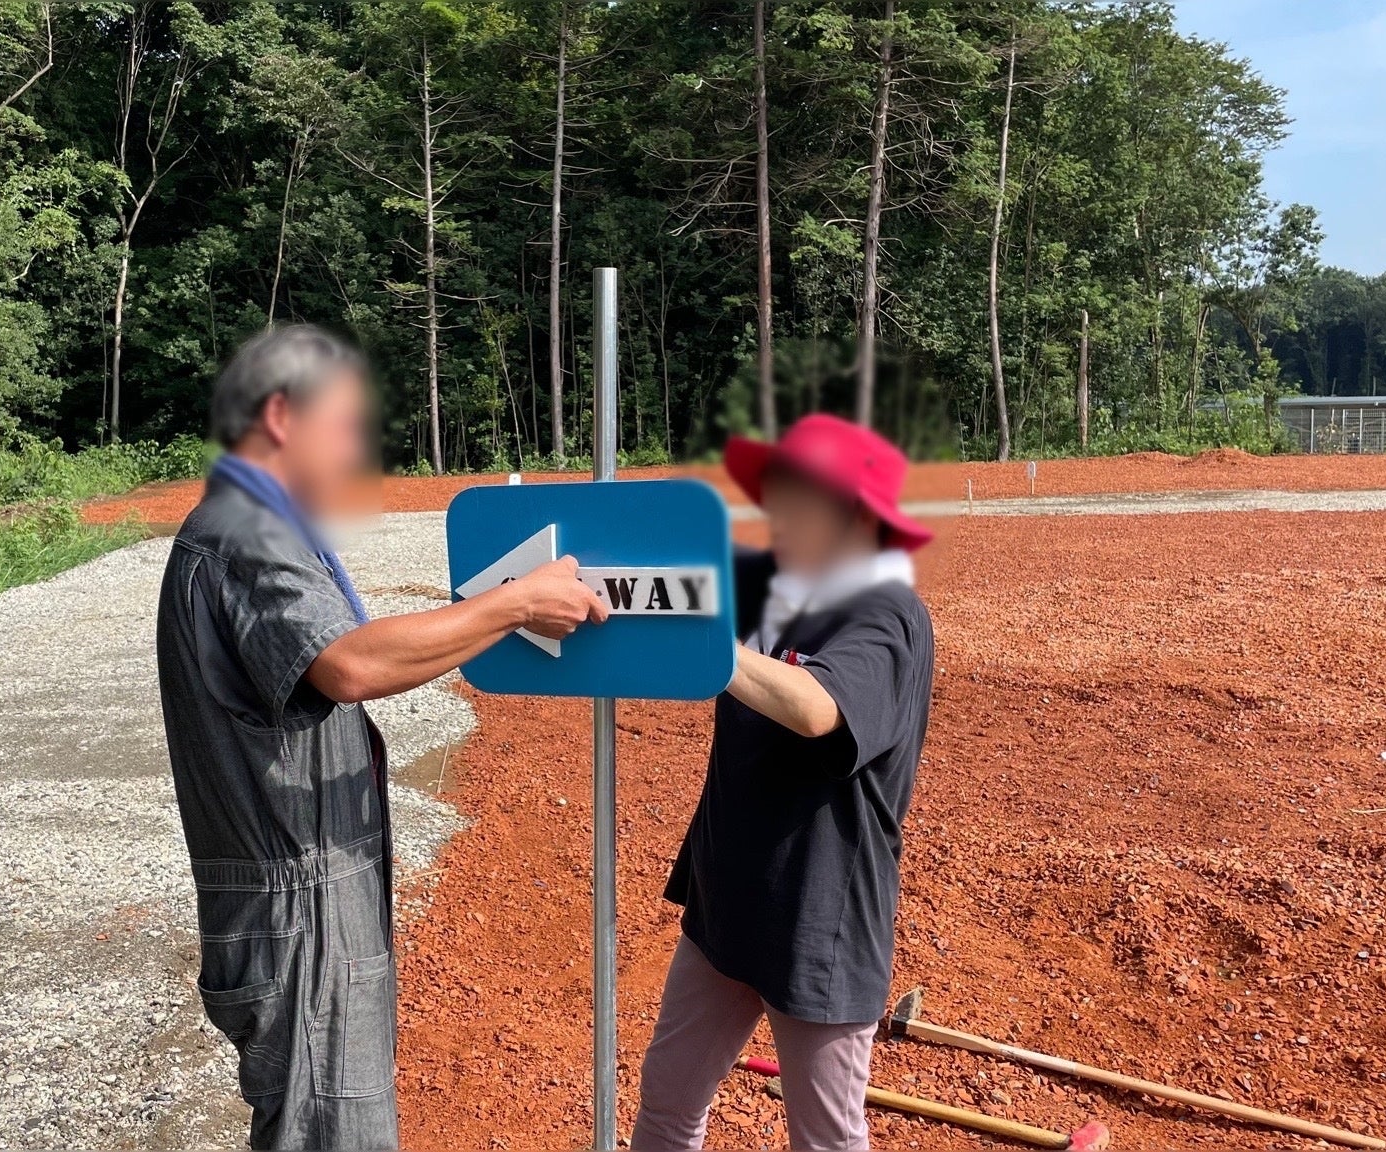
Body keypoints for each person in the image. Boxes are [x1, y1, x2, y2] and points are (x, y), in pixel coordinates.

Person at [155, 325, 607, 1151]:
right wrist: (516, 603)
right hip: (299, 907)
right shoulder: (246, 531)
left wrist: (500, 614)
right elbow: (351, 664)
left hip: (297, 897)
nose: (357, 451)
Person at [631, 413, 936, 1152]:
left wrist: (708, 642)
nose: (778, 513)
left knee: (824, 1138)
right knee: (668, 1102)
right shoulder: (772, 588)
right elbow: (665, 568)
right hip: (725, 906)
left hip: (816, 923)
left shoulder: (886, 613)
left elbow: (817, 708)